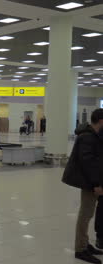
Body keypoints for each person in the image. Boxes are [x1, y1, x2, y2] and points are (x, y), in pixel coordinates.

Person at [62, 109, 103, 264]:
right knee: (85, 215)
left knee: (88, 213)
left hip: (90, 180)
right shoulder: (87, 137)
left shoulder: (93, 135)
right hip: (88, 181)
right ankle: (80, 249)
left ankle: (85, 243)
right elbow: (88, 164)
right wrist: (96, 184)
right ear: (101, 120)